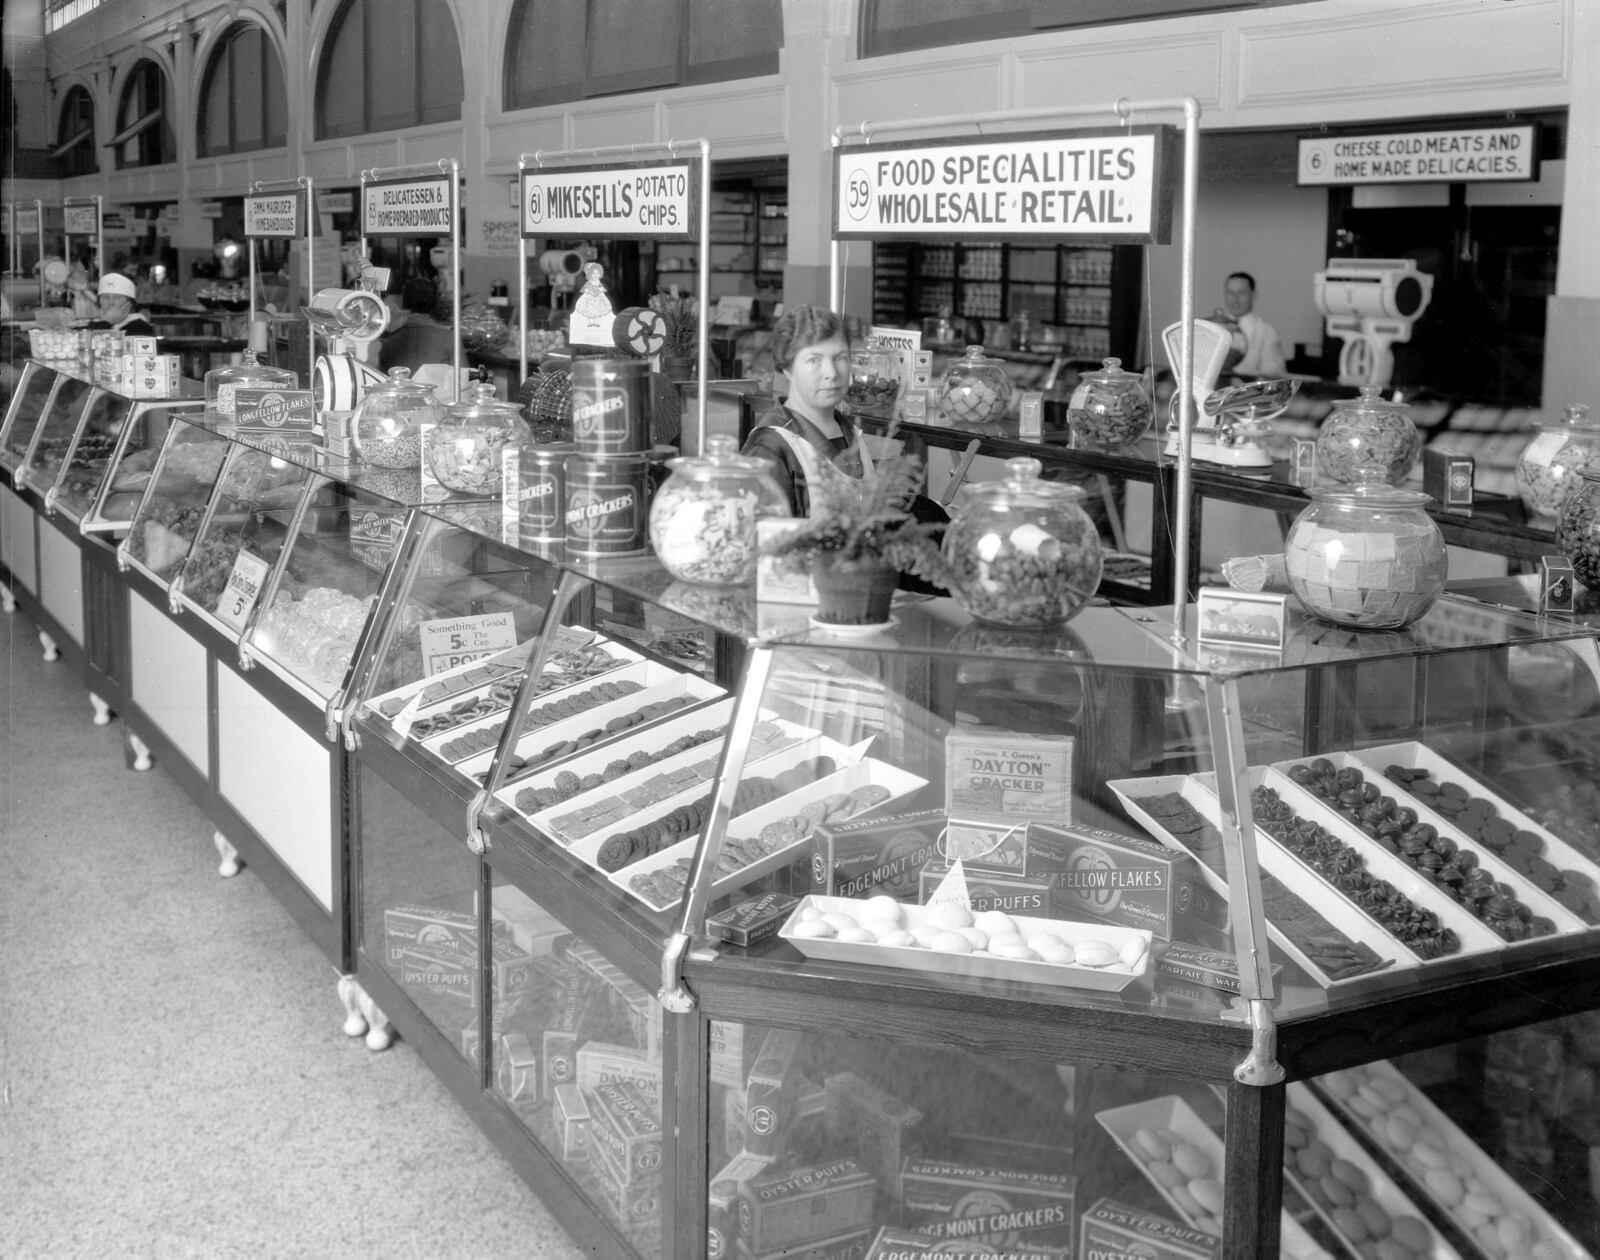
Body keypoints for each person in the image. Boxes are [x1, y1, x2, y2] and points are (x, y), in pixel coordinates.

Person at [740, 304, 869, 518]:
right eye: (814, 360)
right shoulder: (771, 445)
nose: (831, 373)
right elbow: (764, 539)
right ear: (786, 368)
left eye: (840, 357)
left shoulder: (850, 431)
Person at [1216, 271, 1287, 378]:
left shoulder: (1267, 332)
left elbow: (1273, 374)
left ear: (1253, 295)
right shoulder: (1215, 328)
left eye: (1241, 293)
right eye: (1230, 293)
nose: (1235, 299)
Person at [85, 273, 156, 336]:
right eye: (106, 297)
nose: (111, 302)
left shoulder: (140, 327)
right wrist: (106, 322)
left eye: (117, 298)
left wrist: (106, 322)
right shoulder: (93, 326)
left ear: (130, 303)